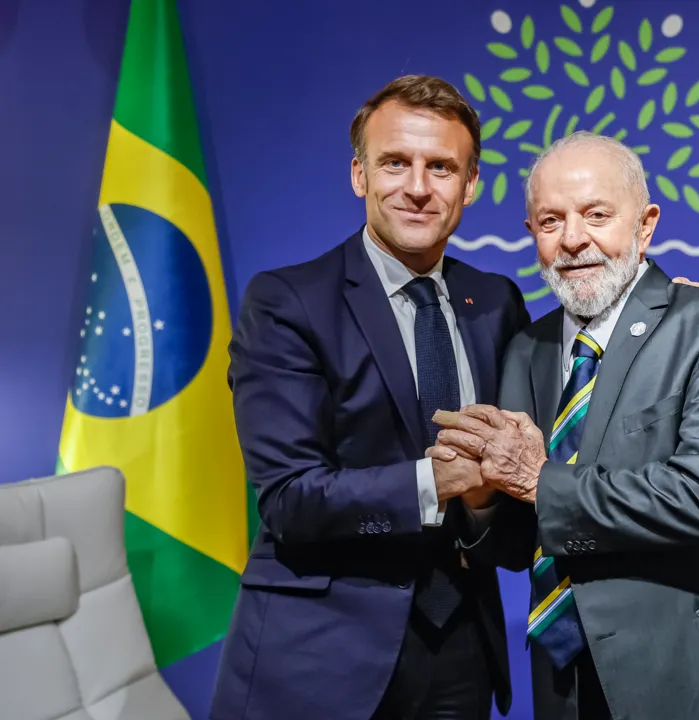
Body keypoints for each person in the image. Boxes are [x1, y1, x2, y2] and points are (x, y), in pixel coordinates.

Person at [429, 131, 699, 720]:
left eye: (596, 214)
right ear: (531, 236)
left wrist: (535, 478)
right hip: (569, 682)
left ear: (645, 225)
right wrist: (481, 499)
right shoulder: (527, 348)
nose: (573, 239)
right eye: (550, 221)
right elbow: (528, 540)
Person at [209, 75, 532, 720]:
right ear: (360, 175)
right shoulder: (286, 303)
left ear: (470, 185)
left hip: (461, 653)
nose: (417, 187)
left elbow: (519, 477)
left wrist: (481, 500)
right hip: (319, 659)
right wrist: (435, 480)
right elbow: (289, 499)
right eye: (395, 163)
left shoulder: (497, 302)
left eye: (441, 167)